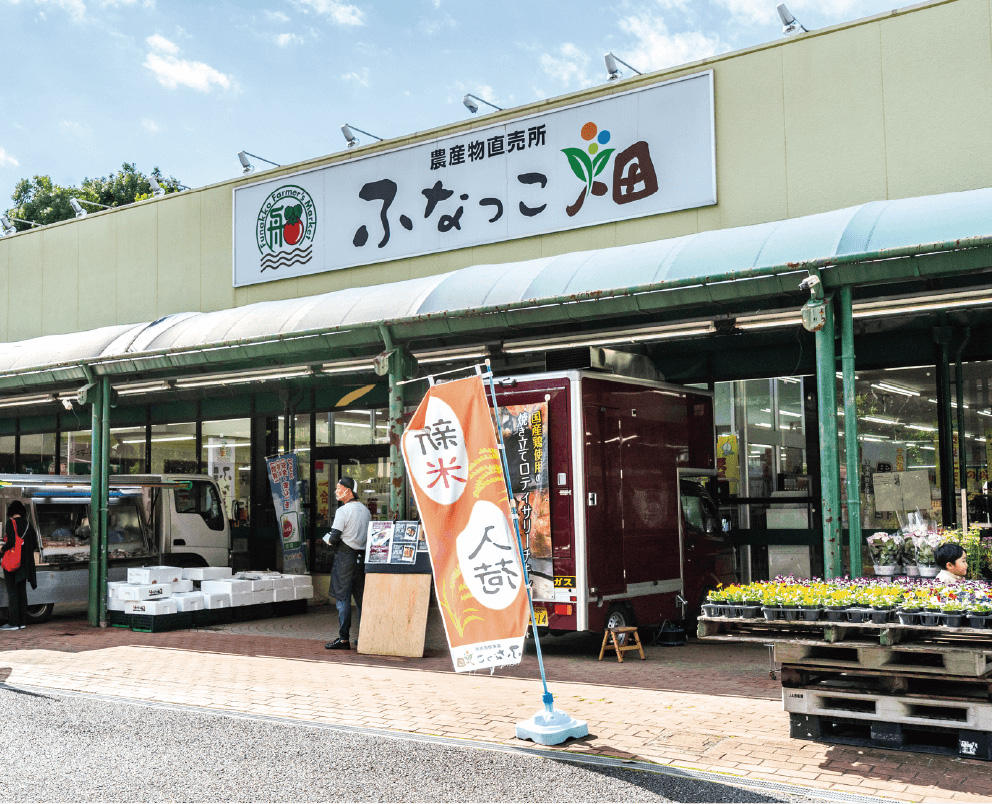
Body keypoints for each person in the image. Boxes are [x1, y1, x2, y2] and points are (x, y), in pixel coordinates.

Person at [323, 477, 371, 650]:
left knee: (342, 599)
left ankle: (344, 639)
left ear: (349, 490)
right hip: (361, 559)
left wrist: (327, 540)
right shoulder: (366, 511)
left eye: (339, 488)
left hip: (345, 558)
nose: (336, 491)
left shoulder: (343, 511)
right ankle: (365, 636)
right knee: (361, 600)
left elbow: (334, 537)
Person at [1, 500, 38, 630]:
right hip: (25, 564)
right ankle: (22, 622)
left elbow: (11, 542)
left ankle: (13, 623)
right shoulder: (28, 524)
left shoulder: (11, 523)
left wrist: (1, 549)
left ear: (11, 512)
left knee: (12, 592)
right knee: (22, 592)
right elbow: (35, 544)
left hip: (13, 563)